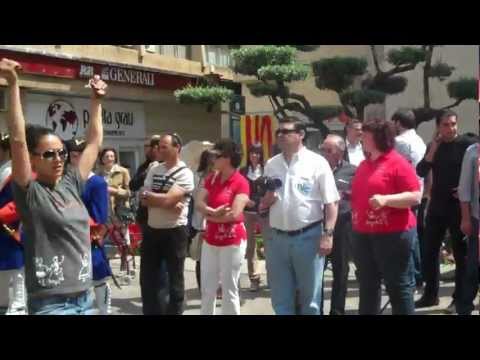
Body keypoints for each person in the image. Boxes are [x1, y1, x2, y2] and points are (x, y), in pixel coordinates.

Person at [1, 58, 107, 315]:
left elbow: (93, 143)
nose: (58, 158)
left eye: (61, 152)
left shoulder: (71, 182)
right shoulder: (31, 192)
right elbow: (18, 139)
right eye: (49, 154)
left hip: (85, 298)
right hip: (52, 304)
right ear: (34, 159)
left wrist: (96, 100)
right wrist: (13, 85)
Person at [260, 118, 339, 315]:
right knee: (280, 298)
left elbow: (332, 202)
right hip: (277, 238)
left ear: (301, 135)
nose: (280, 136)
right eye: (278, 132)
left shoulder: (317, 162)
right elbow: (265, 203)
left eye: (286, 132)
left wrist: (328, 234)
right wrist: (267, 199)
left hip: (308, 238)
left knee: (310, 300)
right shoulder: (271, 164)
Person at [351, 118, 421, 315]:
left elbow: (415, 196)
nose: (361, 137)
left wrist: (386, 199)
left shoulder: (397, 162)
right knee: (367, 285)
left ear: (378, 138)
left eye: (365, 134)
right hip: (364, 233)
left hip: (393, 234)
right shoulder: (365, 164)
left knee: (397, 286)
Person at [415, 110, 477, 311]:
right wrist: (432, 150)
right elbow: (421, 171)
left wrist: (465, 188)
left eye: (453, 124)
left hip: (459, 206)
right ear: (438, 127)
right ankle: (430, 294)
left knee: (461, 254)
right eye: (445, 125)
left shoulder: (467, 144)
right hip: (437, 205)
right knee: (430, 251)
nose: (450, 128)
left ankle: (459, 297)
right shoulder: (434, 146)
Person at [140, 133, 194, 315]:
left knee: (174, 280)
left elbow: (169, 200)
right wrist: (166, 201)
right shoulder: (154, 169)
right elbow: (144, 198)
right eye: (158, 147)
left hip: (174, 232)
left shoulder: (185, 173)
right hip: (152, 230)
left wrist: (163, 200)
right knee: (148, 279)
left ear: (176, 148)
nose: (159, 150)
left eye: (164, 147)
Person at [196, 139, 250, 315]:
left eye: (216, 156)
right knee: (207, 288)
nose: (212, 159)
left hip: (232, 240)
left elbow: (234, 214)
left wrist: (210, 216)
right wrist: (213, 212)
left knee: (229, 288)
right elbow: (198, 203)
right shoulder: (211, 178)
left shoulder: (240, 182)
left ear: (227, 158)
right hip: (210, 240)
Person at [65, 137, 112, 315]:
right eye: (74, 155)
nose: (78, 159)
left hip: (88, 238)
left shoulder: (96, 182)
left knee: (98, 279)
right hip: (67, 241)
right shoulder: (64, 181)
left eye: (81, 155)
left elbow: (99, 216)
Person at [318, 134, 356, 315]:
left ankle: (337, 310)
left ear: (340, 153)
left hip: (343, 226)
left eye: (328, 150)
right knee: (315, 270)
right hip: (316, 226)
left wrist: (347, 195)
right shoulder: (314, 168)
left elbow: (359, 196)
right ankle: (314, 308)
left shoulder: (353, 171)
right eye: (322, 149)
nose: (324, 153)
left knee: (341, 270)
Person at [392, 109, 427, 290]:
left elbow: (395, 167)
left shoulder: (400, 142)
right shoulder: (418, 139)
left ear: (398, 123)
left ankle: (413, 276)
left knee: (407, 237)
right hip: (420, 191)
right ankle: (419, 275)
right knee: (414, 234)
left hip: (405, 193)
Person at [96, 147, 132, 282]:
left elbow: (129, 192)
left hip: (119, 211)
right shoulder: (98, 174)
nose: (110, 158)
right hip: (103, 211)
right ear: (102, 159)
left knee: (123, 241)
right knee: (102, 241)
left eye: (112, 156)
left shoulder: (123, 171)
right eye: (107, 156)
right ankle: (106, 270)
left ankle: (127, 270)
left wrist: (114, 191)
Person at [0, 133, 26, 315]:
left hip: (13, 226)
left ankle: (18, 304)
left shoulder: (17, 171)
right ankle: (3, 302)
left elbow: (19, 204)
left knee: (17, 266)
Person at [456, 141, 479, 315]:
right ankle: (464, 307)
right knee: (473, 266)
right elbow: (464, 189)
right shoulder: (473, 152)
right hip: (477, 219)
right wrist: (465, 218)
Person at [239, 143, 265, 292]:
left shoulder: (266, 170)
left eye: (257, 153)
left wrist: (263, 201)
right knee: (250, 247)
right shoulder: (243, 171)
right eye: (252, 153)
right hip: (248, 213)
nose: (254, 156)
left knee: (268, 245)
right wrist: (245, 200)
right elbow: (239, 190)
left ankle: (273, 276)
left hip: (264, 213)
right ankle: (254, 278)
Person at [190, 149, 216, 293]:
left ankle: (215, 287)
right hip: (200, 220)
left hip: (216, 219)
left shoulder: (220, 176)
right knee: (201, 257)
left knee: (215, 257)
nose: (214, 161)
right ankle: (203, 288)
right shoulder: (197, 177)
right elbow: (194, 196)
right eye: (212, 158)